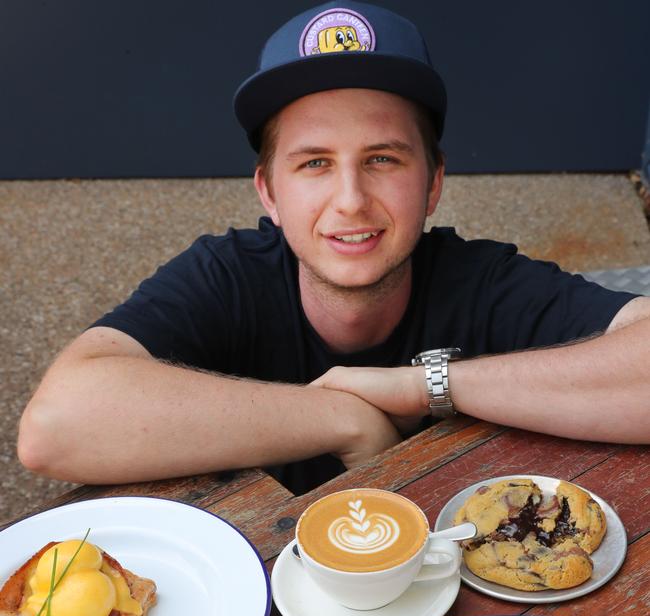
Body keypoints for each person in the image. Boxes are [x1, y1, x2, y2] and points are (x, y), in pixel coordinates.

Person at [17, 2, 650, 495]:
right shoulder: (228, 277)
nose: (350, 199)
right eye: (315, 163)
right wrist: (342, 418)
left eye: (382, 158)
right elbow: (54, 427)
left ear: (433, 183)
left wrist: (424, 387)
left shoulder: (480, 281)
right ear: (269, 192)